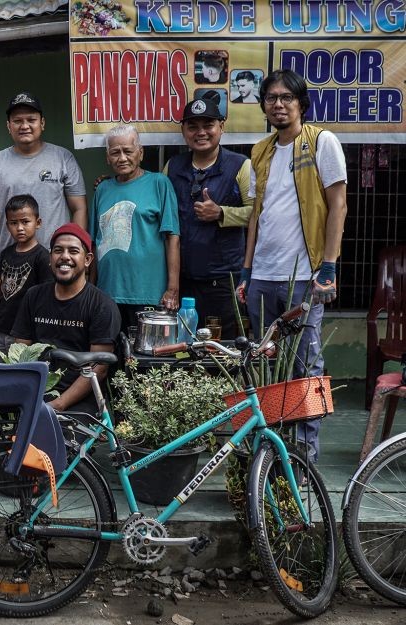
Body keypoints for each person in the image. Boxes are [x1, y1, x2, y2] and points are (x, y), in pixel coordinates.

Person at [237, 69, 347, 461]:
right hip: (263, 278)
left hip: (303, 277)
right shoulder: (261, 150)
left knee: (307, 370)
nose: (278, 104)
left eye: (286, 97)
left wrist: (328, 267)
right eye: (271, 98)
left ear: (301, 103)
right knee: (266, 370)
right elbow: (257, 215)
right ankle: (271, 456)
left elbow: (338, 205)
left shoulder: (322, 142)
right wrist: (247, 271)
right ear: (263, 105)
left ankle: (305, 460)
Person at [165, 96, 252, 339]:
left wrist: (222, 213)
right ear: (183, 130)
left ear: (221, 127)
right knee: (183, 352)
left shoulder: (241, 165)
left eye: (208, 125)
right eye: (193, 126)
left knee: (223, 351)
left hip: (224, 284)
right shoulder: (172, 167)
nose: (201, 132)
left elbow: (259, 214)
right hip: (183, 284)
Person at [0, 92, 87, 276]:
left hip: (53, 263)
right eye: (17, 121)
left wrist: (76, 251)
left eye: (31, 119)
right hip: (8, 265)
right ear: (8, 126)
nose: (24, 126)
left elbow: (79, 208)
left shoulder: (63, 158)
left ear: (42, 123)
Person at [11, 223, 120, 414]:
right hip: (37, 391)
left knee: (63, 443)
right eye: (58, 250)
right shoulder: (33, 296)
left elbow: (99, 368)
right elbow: (21, 351)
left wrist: (58, 405)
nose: (65, 257)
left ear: (87, 260)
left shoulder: (102, 305)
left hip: (79, 398)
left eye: (73, 251)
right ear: (50, 258)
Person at [91, 125, 180, 332]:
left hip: (148, 292)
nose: (122, 158)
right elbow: (95, 242)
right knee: (109, 357)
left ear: (140, 153)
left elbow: (172, 237)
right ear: (107, 157)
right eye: (115, 152)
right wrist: (92, 288)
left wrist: (172, 288)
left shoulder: (159, 183)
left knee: (144, 360)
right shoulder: (102, 189)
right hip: (107, 292)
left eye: (128, 151)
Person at [0, 195, 52, 360]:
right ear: (7, 225)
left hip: (23, 334)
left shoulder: (43, 257)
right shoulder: (6, 254)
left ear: (38, 223)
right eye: (14, 223)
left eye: (25, 222)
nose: (20, 228)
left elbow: (46, 299)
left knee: (17, 376)